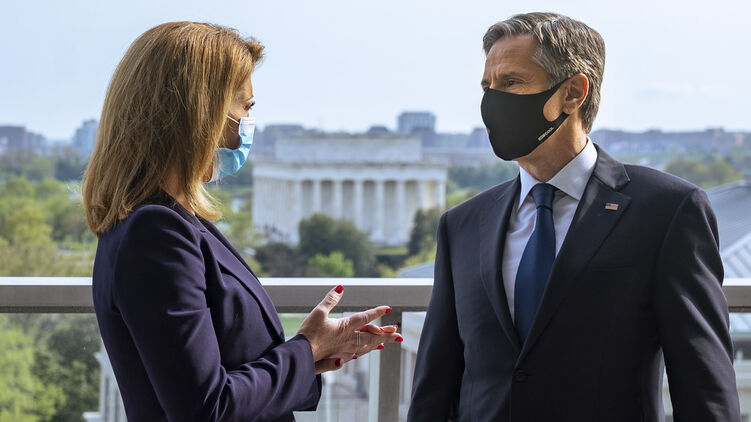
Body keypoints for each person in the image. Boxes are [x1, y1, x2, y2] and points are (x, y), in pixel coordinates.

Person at [408, 12, 740, 422]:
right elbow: (435, 388)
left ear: (573, 93)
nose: (491, 102)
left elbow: (705, 386)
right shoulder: (462, 225)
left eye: (511, 82)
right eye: (487, 87)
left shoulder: (667, 211)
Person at [82, 21, 402, 422]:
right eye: (246, 107)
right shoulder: (156, 233)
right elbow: (208, 409)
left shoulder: (165, 222)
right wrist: (307, 348)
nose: (249, 123)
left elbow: (217, 371)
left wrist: (314, 352)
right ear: (201, 113)